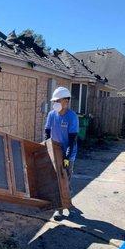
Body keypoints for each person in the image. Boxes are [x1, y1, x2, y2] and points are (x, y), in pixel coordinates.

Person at [44, 86, 79, 221]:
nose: (55, 103)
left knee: (65, 178)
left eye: (58, 100)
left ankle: (65, 204)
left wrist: (67, 157)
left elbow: (72, 140)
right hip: (55, 150)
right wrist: (47, 148)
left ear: (66, 101)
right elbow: (47, 132)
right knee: (56, 180)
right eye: (55, 101)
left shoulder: (72, 117)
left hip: (68, 152)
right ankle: (61, 207)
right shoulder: (52, 114)